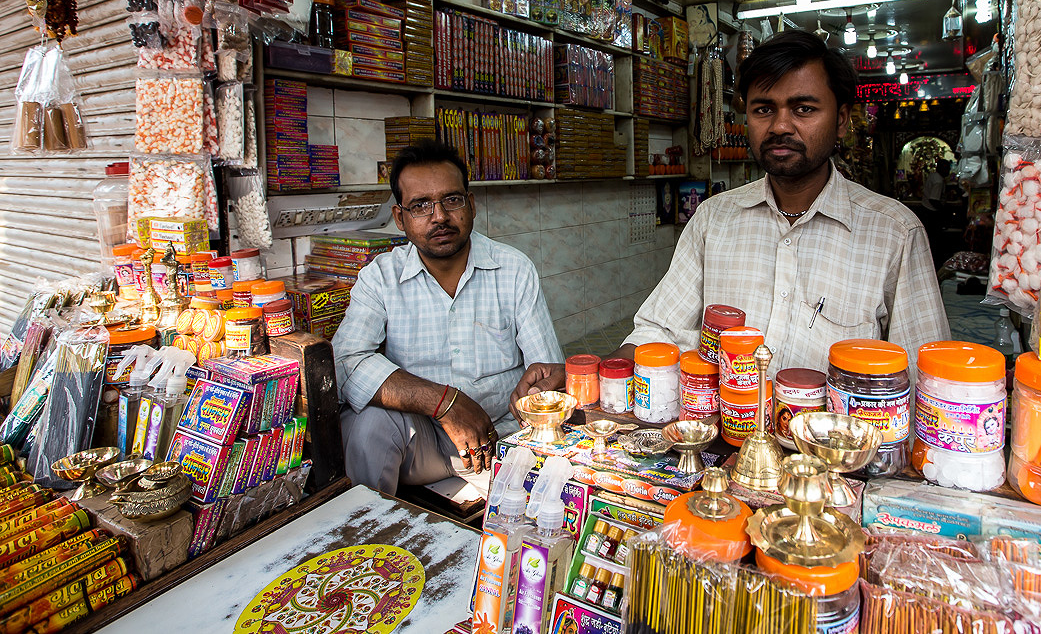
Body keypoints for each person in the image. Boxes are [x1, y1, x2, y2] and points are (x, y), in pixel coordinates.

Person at [621, 30, 950, 371]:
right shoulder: (712, 219)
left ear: (840, 120)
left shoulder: (894, 232)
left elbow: (926, 377)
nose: (780, 126)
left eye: (804, 109)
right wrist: (597, 376)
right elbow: (657, 331)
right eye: (763, 109)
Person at [332, 140, 564, 494]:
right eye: (421, 205)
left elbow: (547, 368)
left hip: (500, 440)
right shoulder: (380, 277)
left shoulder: (514, 269)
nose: (439, 216)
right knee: (367, 426)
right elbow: (345, 362)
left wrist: (540, 386)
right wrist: (444, 403)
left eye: (451, 200)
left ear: (470, 205)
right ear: (400, 218)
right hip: (420, 441)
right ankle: (369, 539)